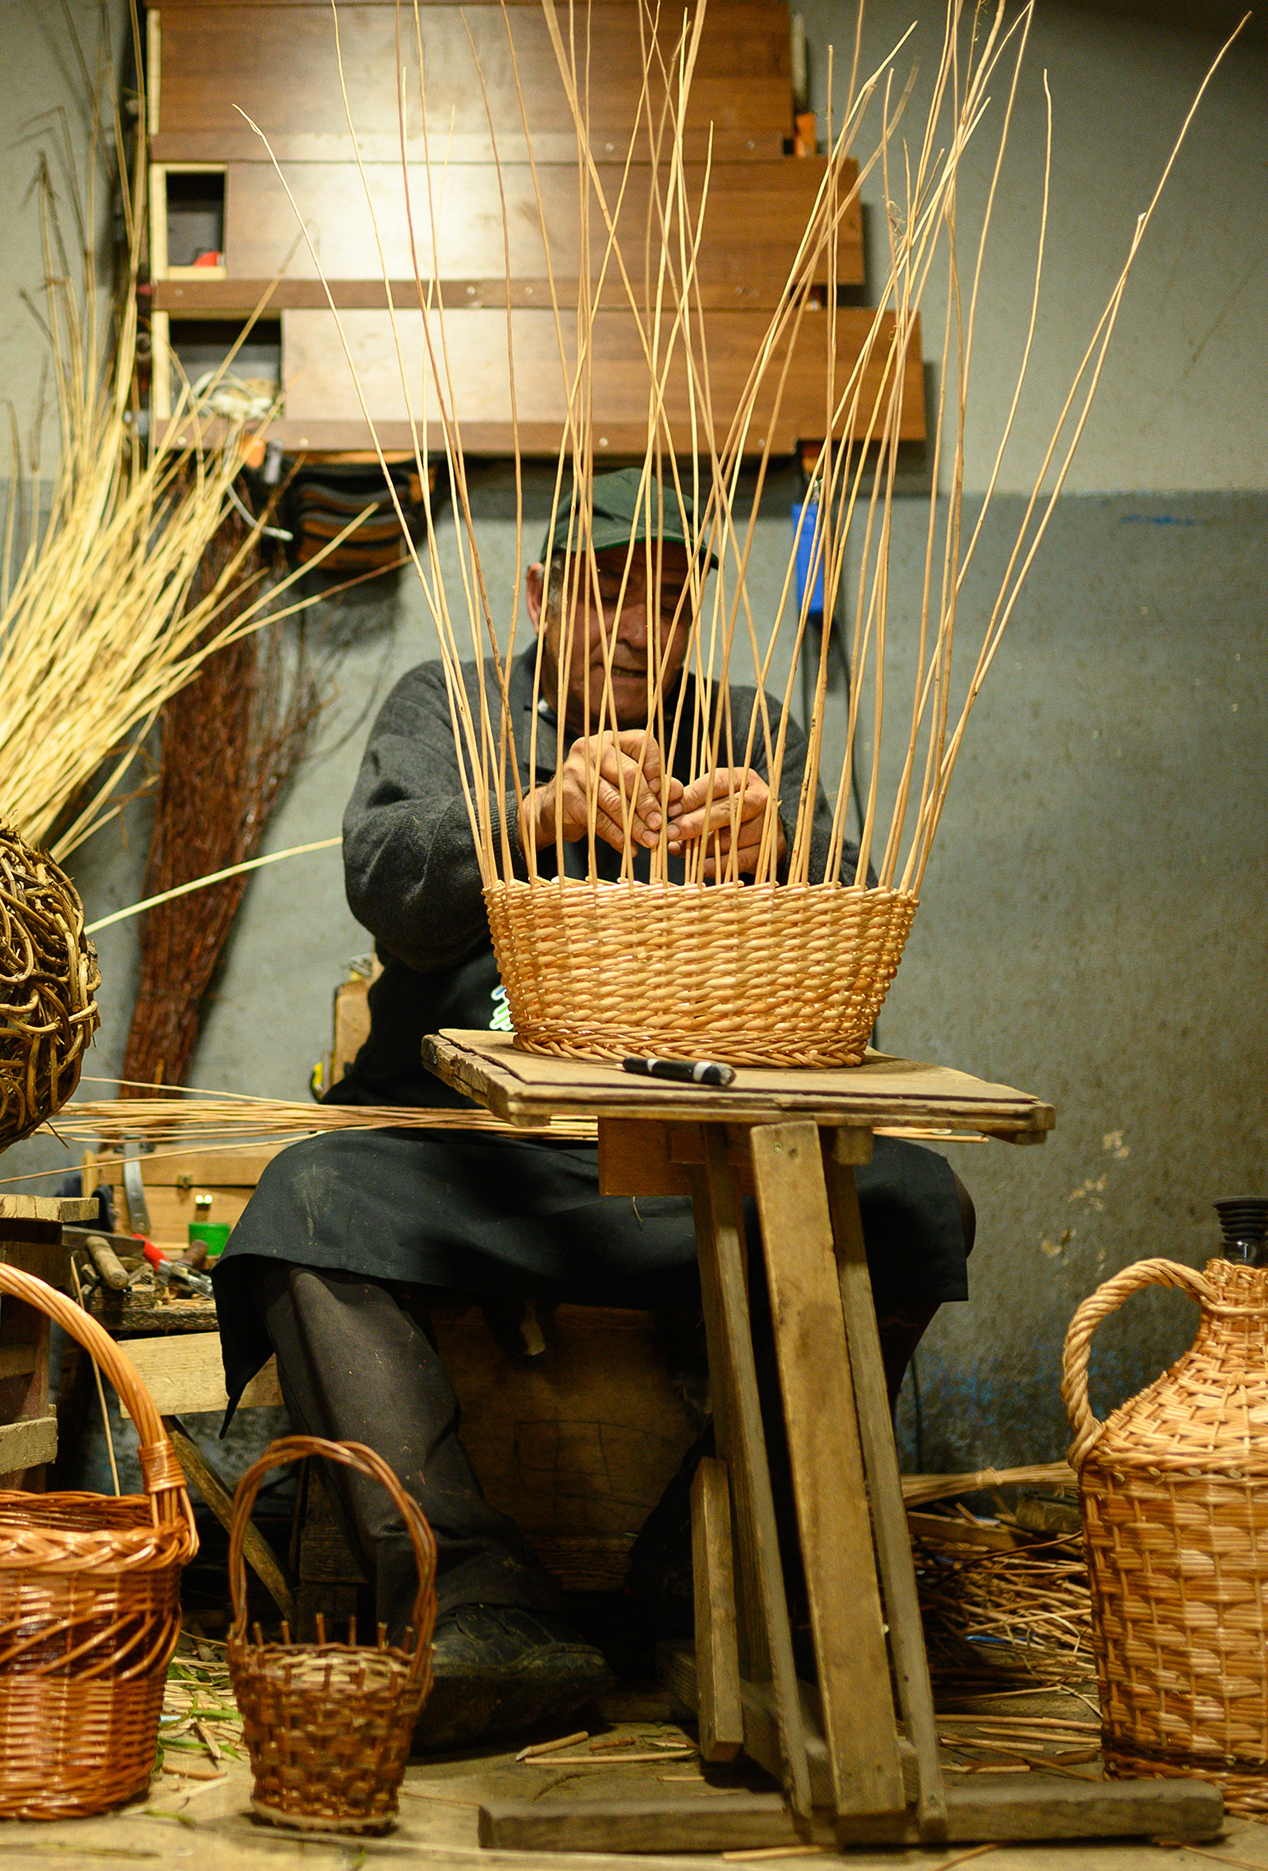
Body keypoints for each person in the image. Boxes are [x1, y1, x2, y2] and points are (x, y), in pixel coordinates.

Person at [212, 465, 977, 1750]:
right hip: (478, 1164)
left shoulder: (750, 731)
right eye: (613, 591)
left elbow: (852, 944)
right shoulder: (447, 704)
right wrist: (530, 812)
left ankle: (703, 1548)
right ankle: (473, 1592)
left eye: (673, 600)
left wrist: (782, 848)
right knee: (307, 1195)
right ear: (541, 592)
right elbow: (383, 881)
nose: (640, 627)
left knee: (911, 1197)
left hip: (691, 1164)